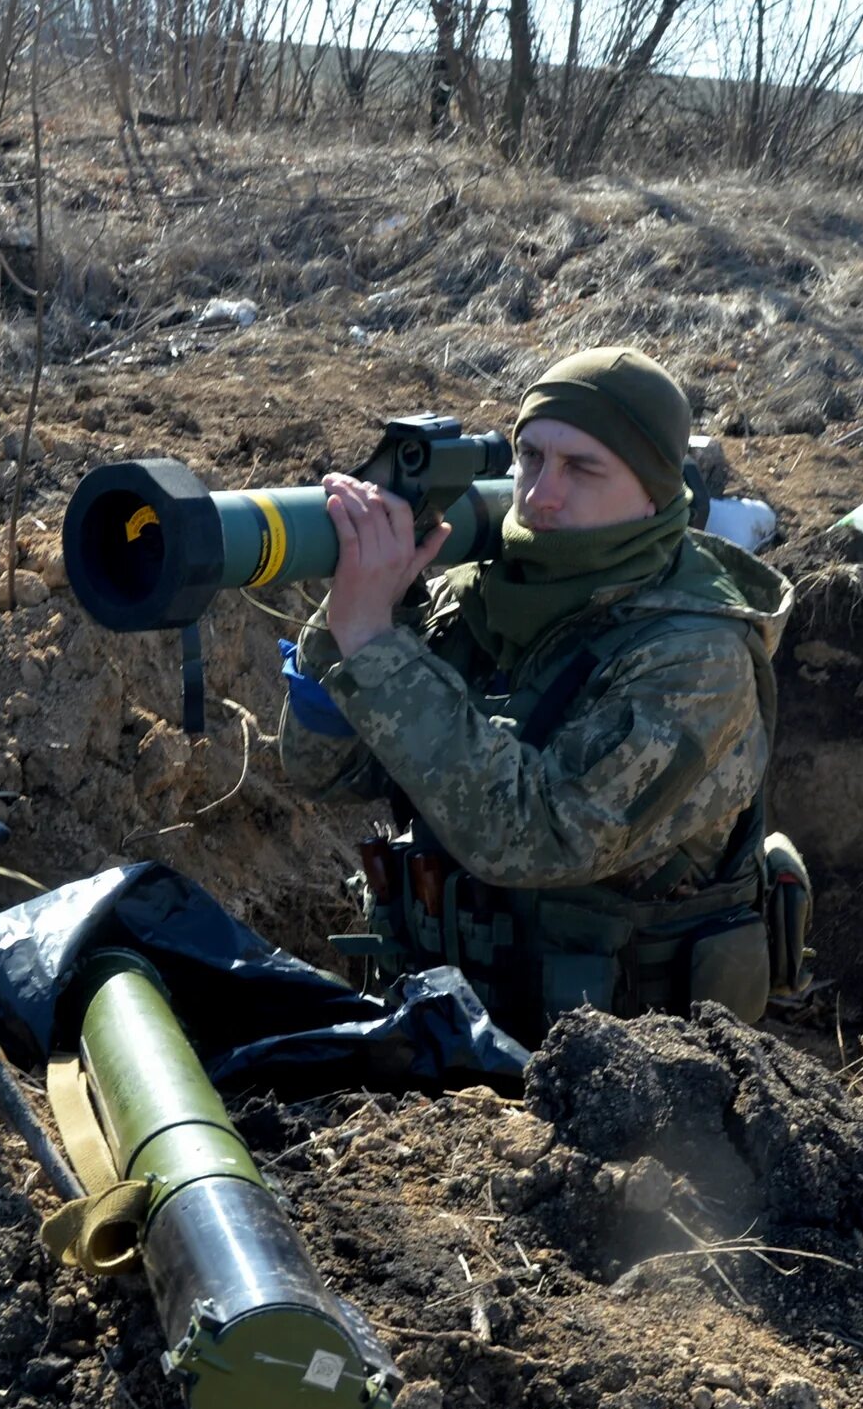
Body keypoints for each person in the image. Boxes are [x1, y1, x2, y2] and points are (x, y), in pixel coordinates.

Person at [277, 346, 796, 1038]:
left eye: (582, 468)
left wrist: (374, 646)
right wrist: (359, 614)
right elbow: (321, 769)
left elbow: (539, 835)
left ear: (654, 490)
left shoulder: (697, 657)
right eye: (531, 457)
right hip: (443, 1040)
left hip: (636, 1078)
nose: (541, 494)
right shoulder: (476, 601)